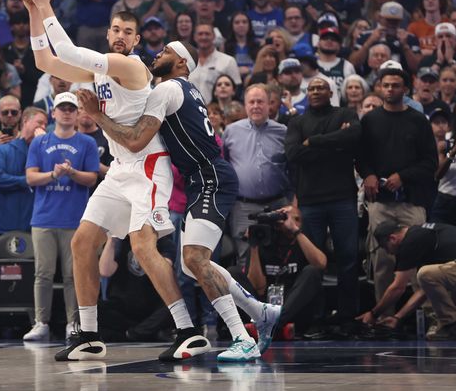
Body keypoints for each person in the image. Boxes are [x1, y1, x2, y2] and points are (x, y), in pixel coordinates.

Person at [22, 0, 205, 363]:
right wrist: (32, 10)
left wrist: (45, 3)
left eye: (128, 31)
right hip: (119, 169)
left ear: (137, 41)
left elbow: (68, 51)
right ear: (108, 34)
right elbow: (44, 60)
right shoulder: (98, 73)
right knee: (82, 242)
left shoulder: (133, 67)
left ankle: (187, 330)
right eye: (115, 29)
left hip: (148, 167)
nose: (120, 35)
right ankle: (88, 334)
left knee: (142, 246)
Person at [78, 42, 281, 361]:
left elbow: (134, 140)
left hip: (210, 176)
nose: (157, 54)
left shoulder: (167, 89)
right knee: (192, 262)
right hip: (203, 178)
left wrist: (95, 115)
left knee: (195, 259)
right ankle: (260, 311)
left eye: (166, 52)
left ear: (182, 63)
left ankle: (242, 337)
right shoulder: (184, 90)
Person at [357, 61, 438, 312]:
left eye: (396, 86)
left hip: (411, 202)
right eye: (386, 85)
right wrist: (368, 174)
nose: (390, 89)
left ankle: (421, 319)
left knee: (419, 266)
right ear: (380, 87)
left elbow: (430, 163)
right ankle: (383, 317)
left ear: (405, 88)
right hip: (380, 202)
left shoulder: (418, 121)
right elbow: (360, 156)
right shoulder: (369, 120)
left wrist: (403, 176)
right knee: (382, 262)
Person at [23, 92, 99, 342]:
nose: (66, 112)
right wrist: (54, 175)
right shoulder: (39, 143)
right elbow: (31, 177)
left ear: (77, 113)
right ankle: (40, 322)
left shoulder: (86, 143)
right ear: (53, 113)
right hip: (44, 217)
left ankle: (72, 323)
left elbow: (92, 178)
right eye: (61, 108)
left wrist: (72, 172)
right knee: (42, 273)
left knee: (72, 274)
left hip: (74, 218)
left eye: (71, 108)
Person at [285, 77, 362, 321]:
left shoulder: (345, 113)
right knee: (313, 263)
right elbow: (294, 154)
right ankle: (314, 318)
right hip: (310, 201)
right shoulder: (297, 121)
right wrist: (334, 143)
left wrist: (315, 142)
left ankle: (347, 318)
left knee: (348, 258)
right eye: (311, 89)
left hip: (342, 198)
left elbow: (352, 139)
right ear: (307, 94)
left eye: (321, 88)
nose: (316, 91)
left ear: (330, 92)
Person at [228, 206, 327, 335]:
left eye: (296, 219)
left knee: (312, 271)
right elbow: (258, 287)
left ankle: (273, 324)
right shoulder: (264, 240)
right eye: (287, 219)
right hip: (264, 306)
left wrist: (296, 232)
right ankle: (272, 326)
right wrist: (253, 246)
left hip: (293, 308)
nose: (291, 222)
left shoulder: (303, 241)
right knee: (232, 273)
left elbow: (321, 264)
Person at [223, 84, 291, 267]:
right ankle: (248, 296)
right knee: (245, 257)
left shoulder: (283, 132)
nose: (255, 106)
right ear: (245, 105)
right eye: (251, 102)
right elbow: (225, 166)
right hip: (244, 206)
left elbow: (292, 167)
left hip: (278, 205)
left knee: (280, 255)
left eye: (260, 101)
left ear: (270, 104)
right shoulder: (231, 131)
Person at [360, 222, 456, 341]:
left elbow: (398, 287)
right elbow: (423, 291)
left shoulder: (411, 241)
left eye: (385, 247)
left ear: (392, 238)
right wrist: (398, 317)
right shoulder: (422, 234)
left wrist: (374, 314)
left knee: (425, 274)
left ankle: (452, 325)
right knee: (432, 278)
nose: (389, 253)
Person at [0, 107, 47, 237]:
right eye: (39, 123)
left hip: (35, 226)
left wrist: (45, 146)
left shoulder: (45, 152)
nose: (43, 128)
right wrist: (28, 180)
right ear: (25, 121)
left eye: (45, 125)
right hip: (5, 225)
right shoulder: (3, 150)